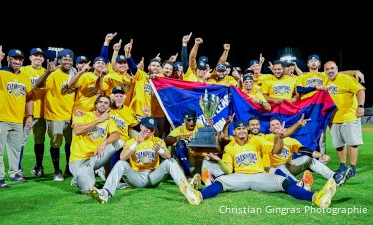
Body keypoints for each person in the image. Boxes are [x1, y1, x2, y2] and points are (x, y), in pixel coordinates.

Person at [180, 120, 337, 209]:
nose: (241, 131)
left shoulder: (257, 140)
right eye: (238, 129)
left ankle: (316, 198)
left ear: (247, 130)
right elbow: (228, 170)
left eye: (243, 128)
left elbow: (275, 150)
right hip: (239, 176)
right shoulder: (230, 146)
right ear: (234, 132)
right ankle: (199, 196)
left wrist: (281, 138)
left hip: (260, 175)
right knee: (222, 181)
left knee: (284, 182)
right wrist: (219, 160)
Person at [88, 117, 200, 204]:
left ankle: (188, 190)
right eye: (146, 127)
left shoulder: (158, 141)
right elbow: (122, 157)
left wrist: (160, 151)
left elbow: (168, 155)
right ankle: (105, 193)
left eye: (151, 129)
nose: (148, 130)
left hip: (153, 177)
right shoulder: (132, 141)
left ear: (153, 130)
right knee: (121, 163)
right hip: (136, 178)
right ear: (141, 126)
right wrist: (137, 143)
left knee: (171, 161)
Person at [0, 47, 33, 188]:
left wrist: (29, 115)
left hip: (17, 120)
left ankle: (14, 173)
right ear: (9, 59)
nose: (17, 61)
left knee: (15, 150)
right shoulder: (0, 73)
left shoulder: (25, 77)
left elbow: (29, 97)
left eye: (20, 59)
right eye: (14, 58)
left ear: (23, 61)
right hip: (0, 118)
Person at [36, 49, 76, 181]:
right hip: (55, 116)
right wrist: (47, 72)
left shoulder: (74, 73)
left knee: (70, 144)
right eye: (65, 59)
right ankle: (56, 170)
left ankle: (68, 168)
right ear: (60, 60)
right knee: (55, 144)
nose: (68, 62)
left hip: (70, 117)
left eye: (70, 59)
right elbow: (37, 85)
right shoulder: (53, 74)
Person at [69, 95, 121, 193]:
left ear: (109, 107)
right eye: (101, 102)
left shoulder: (109, 120)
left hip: (95, 156)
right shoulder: (82, 114)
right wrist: (98, 120)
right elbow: (78, 131)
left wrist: (104, 142)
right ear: (96, 104)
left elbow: (116, 134)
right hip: (78, 159)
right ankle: (79, 177)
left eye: (106, 103)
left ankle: (89, 175)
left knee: (118, 143)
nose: (103, 105)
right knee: (88, 189)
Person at [324, 61, 365, 178]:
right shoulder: (325, 79)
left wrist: (361, 106)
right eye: (327, 69)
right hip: (333, 118)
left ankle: (352, 168)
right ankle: (342, 165)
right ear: (324, 71)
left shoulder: (346, 79)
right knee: (339, 143)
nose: (330, 71)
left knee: (352, 143)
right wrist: (355, 71)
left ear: (337, 69)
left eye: (332, 68)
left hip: (349, 116)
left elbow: (360, 90)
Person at [19, 48, 47, 177]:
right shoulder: (23, 70)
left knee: (39, 141)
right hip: (25, 114)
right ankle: (17, 169)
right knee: (20, 141)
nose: (38, 58)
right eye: (35, 55)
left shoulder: (47, 72)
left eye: (41, 56)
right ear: (30, 58)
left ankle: (38, 167)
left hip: (41, 113)